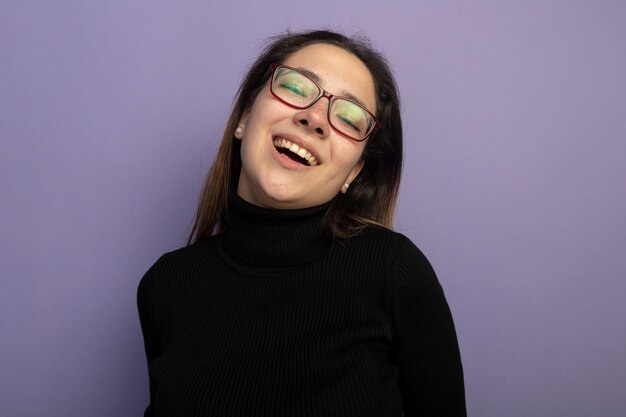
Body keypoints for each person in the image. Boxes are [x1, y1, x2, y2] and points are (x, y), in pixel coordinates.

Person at [137, 29, 466, 416]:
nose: (314, 119)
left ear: (355, 171)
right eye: (296, 87)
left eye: (348, 116)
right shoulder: (166, 285)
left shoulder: (395, 273)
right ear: (245, 116)